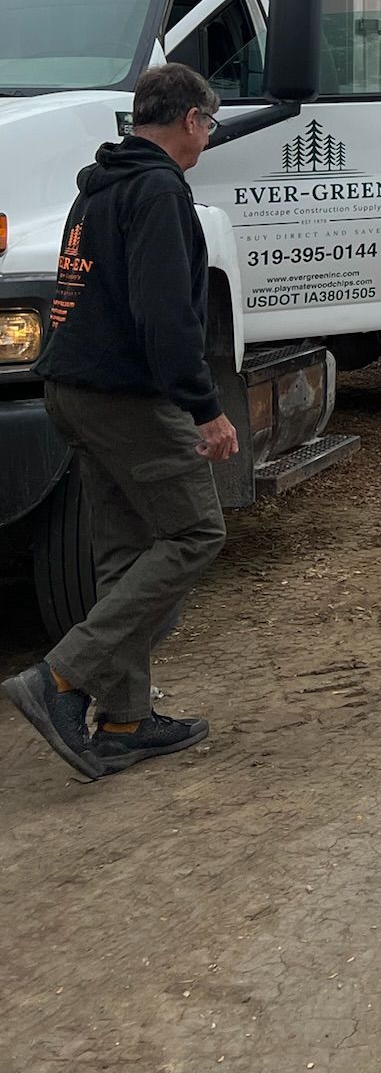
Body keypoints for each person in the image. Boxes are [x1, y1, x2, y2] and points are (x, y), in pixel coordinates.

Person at [2, 62, 237, 780]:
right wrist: (205, 409)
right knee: (197, 531)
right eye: (210, 125)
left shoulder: (97, 186)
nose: (208, 139)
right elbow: (165, 318)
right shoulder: (159, 191)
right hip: (126, 396)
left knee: (125, 553)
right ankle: (62, 679)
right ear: (192, 119)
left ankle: (129, 719)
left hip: (69, 389)